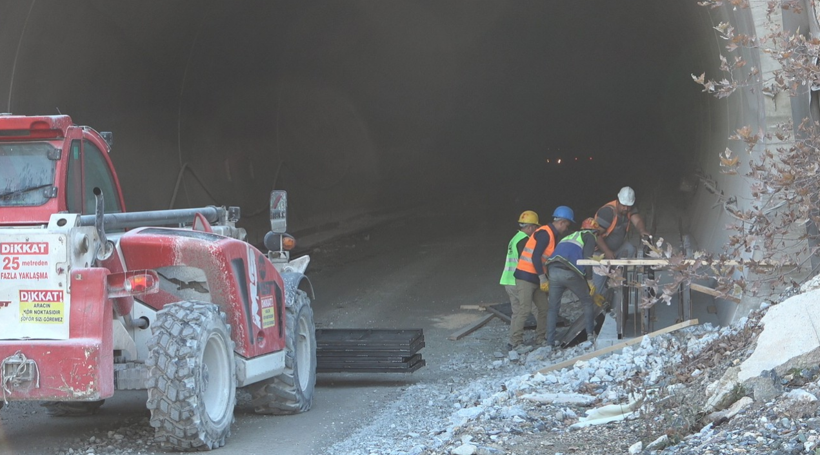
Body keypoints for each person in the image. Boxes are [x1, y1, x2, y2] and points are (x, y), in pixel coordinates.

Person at [509, 206, 574, 349]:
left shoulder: (551, 234)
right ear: (562, 222)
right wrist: (543, 278)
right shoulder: (545, 233)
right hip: (526, 276)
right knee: (524, 309)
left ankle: (541, 337)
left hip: (535, 277)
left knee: (544, 308)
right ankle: (515, 342)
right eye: (567, 225)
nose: (566, 229)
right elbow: (535, 256)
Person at [546, 218, 605, 347]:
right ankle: (590, 335)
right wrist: (590, 281)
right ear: (594, 231)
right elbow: (587, 260)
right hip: (569, 271)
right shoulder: (589, 236)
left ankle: (549, 342)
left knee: (553, 308)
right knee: (587, 301)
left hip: (553, 270)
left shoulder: (569, 236)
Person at [591, 186, 651, 298]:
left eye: (628, 206)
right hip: (600, 253)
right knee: (598, 289)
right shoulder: (607, 212)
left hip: (615, 250)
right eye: (623, 205)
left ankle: (616, 276)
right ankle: (599, 305)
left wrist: (642, 230)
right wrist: (607, 251)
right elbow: (595, 234)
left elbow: (637, 220)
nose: (625, 208)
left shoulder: (629, 209)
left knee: (630, 248)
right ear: (617, 201)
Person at [499, 211, 540, 342]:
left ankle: (514, 341)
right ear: (530, 227)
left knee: (517, 313)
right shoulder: (525, 241)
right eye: (536, 227)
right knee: (538, 308)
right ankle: (544, 336)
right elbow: (528, 262)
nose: (536, 230)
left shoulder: (515, 238)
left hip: (508, 281)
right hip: (519, 282)